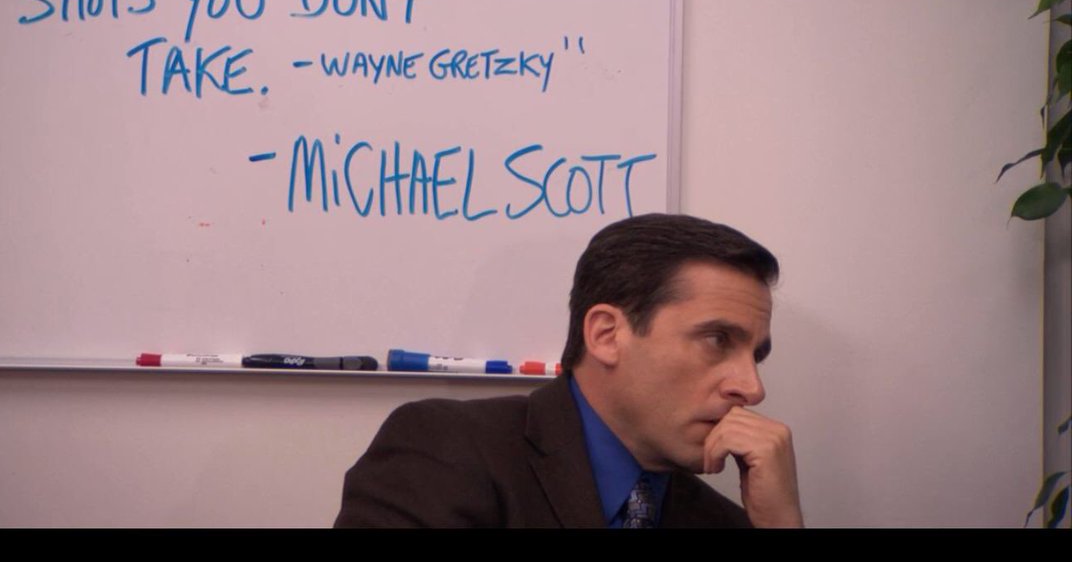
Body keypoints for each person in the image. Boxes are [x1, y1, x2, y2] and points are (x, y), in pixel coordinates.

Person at [334, 213, 803, 528]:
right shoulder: (447, 451)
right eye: (717, 340)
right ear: (606, 335)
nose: (752, 388)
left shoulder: (724, 521)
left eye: (756, 356)